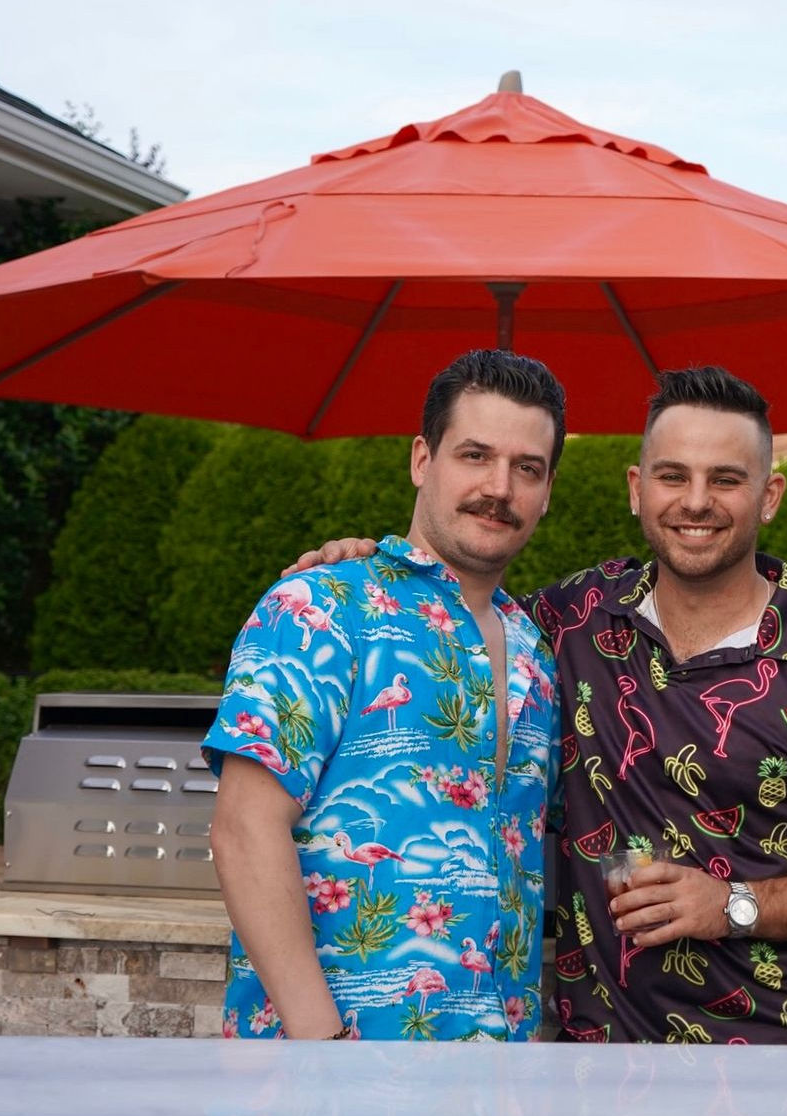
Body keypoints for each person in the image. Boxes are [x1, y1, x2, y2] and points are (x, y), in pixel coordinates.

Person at [288, 365, 787, 1043]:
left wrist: (735, 905)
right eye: (673, 476)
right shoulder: (571, 621)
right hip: (593, 1063)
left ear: (769, 496)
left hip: (774, 1055)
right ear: (636, 488)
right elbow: (456, 606)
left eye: (725, 479)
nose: (696, 502)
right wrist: (366, 565)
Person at [204, 348, 565, 1041]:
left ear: (547, 491)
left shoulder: (536, 653)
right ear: (422, 460)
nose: (499, 487)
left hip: (497, 1073)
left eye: (527, 468)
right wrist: (321, 1047)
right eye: (475, 456)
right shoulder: (321, 607)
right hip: (328, 1070)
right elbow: (244, 828)